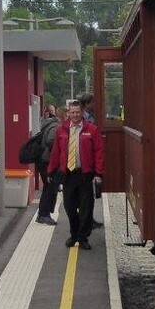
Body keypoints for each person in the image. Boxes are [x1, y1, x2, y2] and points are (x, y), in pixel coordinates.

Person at [46, 101, 105, 249]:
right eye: (72, 112)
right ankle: (74, 234)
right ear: (69, 113)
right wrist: (51, 171)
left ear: (82, 112)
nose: (75, 115)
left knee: (86, 208)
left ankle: (82, 238)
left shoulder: (92, 130)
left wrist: (98, 173)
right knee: (69, 206)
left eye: (77, 112)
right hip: (68, 174)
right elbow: (56, 152)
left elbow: (99, 152)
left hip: (85, 174)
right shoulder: (62, 130)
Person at [76, 93, 104, 229]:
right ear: (86, 104)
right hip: (84, 159)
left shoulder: (91, 115)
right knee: (85, 195)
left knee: (90, 194)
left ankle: (89, 218)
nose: (94, 105)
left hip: (91, 158)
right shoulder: (83, 118)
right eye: (92, 103)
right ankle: (85, 220)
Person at [34, 106, 61, 225]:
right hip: (47, 160)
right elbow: (51, 141)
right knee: (50, 188)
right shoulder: (56, 126)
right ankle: (44, 215)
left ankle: (43, 214)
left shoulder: (49, 124)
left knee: (48, 187)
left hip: (43, 160)